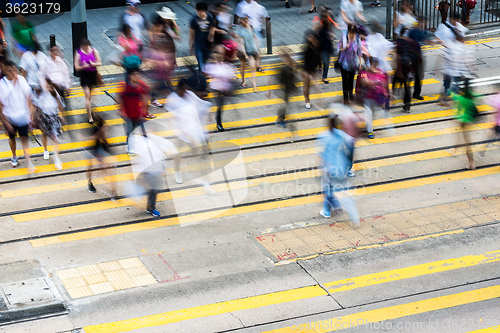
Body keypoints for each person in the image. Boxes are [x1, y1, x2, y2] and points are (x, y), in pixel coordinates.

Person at [317, 113, 360, 226]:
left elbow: (321, 154)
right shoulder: (341, 135)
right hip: (341, 168)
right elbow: (352, 143)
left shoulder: (323, 135)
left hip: (329, 169)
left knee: (329, 189)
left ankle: (329, 209)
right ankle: (353, 217)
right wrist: (349, 163)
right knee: (340, 192)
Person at [129, 126, 182, 217]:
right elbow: (138, 156)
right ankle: (148, 206)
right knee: (150, 188)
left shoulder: (158, 141)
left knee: (153, 189)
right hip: (146, 170)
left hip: (154, 170)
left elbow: (166, 152)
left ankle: (150, 207)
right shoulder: (140, 141)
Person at [0, 60, 35, 171]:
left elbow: (28, 97)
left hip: (22, 116)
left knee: (24, 139)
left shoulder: (22, 80)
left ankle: (28, 161)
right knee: (12, 138)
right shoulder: (2, 84)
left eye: (14, 70)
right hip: (10, 117)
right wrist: (5, 122)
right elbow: (1, 104)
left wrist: (30, 114)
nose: (13, 72)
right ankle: (14, 155)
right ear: (6, 71)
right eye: (10, 70)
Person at [359, 57, 393, 139]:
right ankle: (369, 131)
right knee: (368, 114)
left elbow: (386, 85)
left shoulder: (381, 73)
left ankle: (370, 128)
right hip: (367, 98)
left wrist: (388, 96)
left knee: (372, 114)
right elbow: (365, 82)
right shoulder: (364, 72)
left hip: (376, 98)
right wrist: (377, 82)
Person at [204, 45, 236, 132]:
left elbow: (231, 76)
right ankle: (218, 122)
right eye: (216, 56)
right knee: (219, 106)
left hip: (225, 89)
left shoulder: (226, 66)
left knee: (221, 106)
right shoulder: (211, 66)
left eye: (220, 55)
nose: (218, 58)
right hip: (216, 89)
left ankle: (218, 120)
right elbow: (204, 73)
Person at [86, 112, 117, 200]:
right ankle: (113, 193)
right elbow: (99, 138)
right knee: (107, 171)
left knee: (94, 168)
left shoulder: (99, 128)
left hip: (97, 149)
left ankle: (112, 192)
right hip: (94, 150)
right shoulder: (99, 129)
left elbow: (102, 139)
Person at [117, 68, 149, 155]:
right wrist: (120, 110)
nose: (137, 76)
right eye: (134, 74)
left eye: (137, 74)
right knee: (130, 132)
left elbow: (145, 94)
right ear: (129, 76)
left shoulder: (140, 85)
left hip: (137, 113)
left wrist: (145, 109)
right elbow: (119, 97)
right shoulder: (124, 85)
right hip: (127, 114)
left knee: (143, 129)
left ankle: (147, 147)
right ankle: (129, 148)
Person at [37, 78, 65, 170]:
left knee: (55, 139)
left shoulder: (55, 94)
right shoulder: (42, 94)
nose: (48, 88)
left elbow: (61, 107)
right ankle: (45, 150)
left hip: (54, 118)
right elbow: (38, 106)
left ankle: (57, 160)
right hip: (44, 117)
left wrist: (61, 116)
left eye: (49, 86)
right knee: (44, 134)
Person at [267, 47, 297, 127]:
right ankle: (280, 119)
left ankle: (281, 118)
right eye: (287, 53)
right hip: (281, 87)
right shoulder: (280, 63)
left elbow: (294, 73)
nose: (289, 54)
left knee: (287, 104)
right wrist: (268, 89)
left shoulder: (292, 62)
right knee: (285, 105)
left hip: (288, 87)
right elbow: (271, 75)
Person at [452, 80, 478, 170]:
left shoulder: (460, 98)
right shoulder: (470, 96)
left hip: (463, 121)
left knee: (467, 142)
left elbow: (457, 110)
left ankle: (472, 164)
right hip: (469, 121)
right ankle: (454, 150)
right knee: (463, 138)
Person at [74, 39, 101, 124]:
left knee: (90, 95)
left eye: (86, 46)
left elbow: (99, 62)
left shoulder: (94, 51)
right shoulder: (78, 53)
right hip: (84, 75)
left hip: (92, 74)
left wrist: (94, 64)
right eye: (83, 47)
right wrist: (83, 66)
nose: (85, 48)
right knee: (87, 95)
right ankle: (90, 117)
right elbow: (76, 67)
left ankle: (89, 109)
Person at [234, 15, 260, 91]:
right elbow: (241, 43)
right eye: (244, 19)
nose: (246, 21)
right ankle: (243, 81)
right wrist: (245, 54)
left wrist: (258, 48)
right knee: (243, 66)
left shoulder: (251, 27)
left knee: (252, 67)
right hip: (243, 51)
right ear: (241, 20)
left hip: (252, 50)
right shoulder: (239, 30)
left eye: (247, 19)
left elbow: (255, 38)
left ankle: (254, 86)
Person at [338, 24, 362, 105]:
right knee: (345, 81)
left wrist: (360, 63)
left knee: (351, 80)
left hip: (353, 64)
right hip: (344, 64)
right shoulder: (344, 39)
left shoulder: (357, 39)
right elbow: (338, 49)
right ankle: (345, 99)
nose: (351, 35)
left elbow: (359, 51)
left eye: (353, 33)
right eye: (350, 33)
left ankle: (351, 95)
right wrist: (344, 47)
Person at [189, 2, 215, 74]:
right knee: (201, 63)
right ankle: (202, 80)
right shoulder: (194, 20)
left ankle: (202, 76)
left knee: (204, 61)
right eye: (200, 11)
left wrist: (211, 36)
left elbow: (212, 28)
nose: (201, 13)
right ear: (197, 10)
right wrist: (191, 46)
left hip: (207, 44)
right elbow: (191, 34)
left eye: (203, 11)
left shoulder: (210, 17)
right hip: (198, 44)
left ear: (206, 10)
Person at [302, 29, 322, 109]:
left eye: (313, 38)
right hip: (306, 70)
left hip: (313, 68)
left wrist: (320, 66)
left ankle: (319, 102)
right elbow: (305, 63)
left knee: (316, 85)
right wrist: (308, 74)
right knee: (307, 86)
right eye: (310, 38)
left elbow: (318, 56)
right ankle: (307, 100)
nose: (312, 40)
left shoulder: (317, 46)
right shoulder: (307, 49)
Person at [318, 10, 334, 84]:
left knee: (326, 63)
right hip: (321, 47)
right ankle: (320, 66)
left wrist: (331, 36)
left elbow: (330, 37)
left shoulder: (329, 25)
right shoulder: (319, 26)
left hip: (327, 47)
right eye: (325, 17)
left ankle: (324, 77)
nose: (327, 18)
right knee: (324, 61)